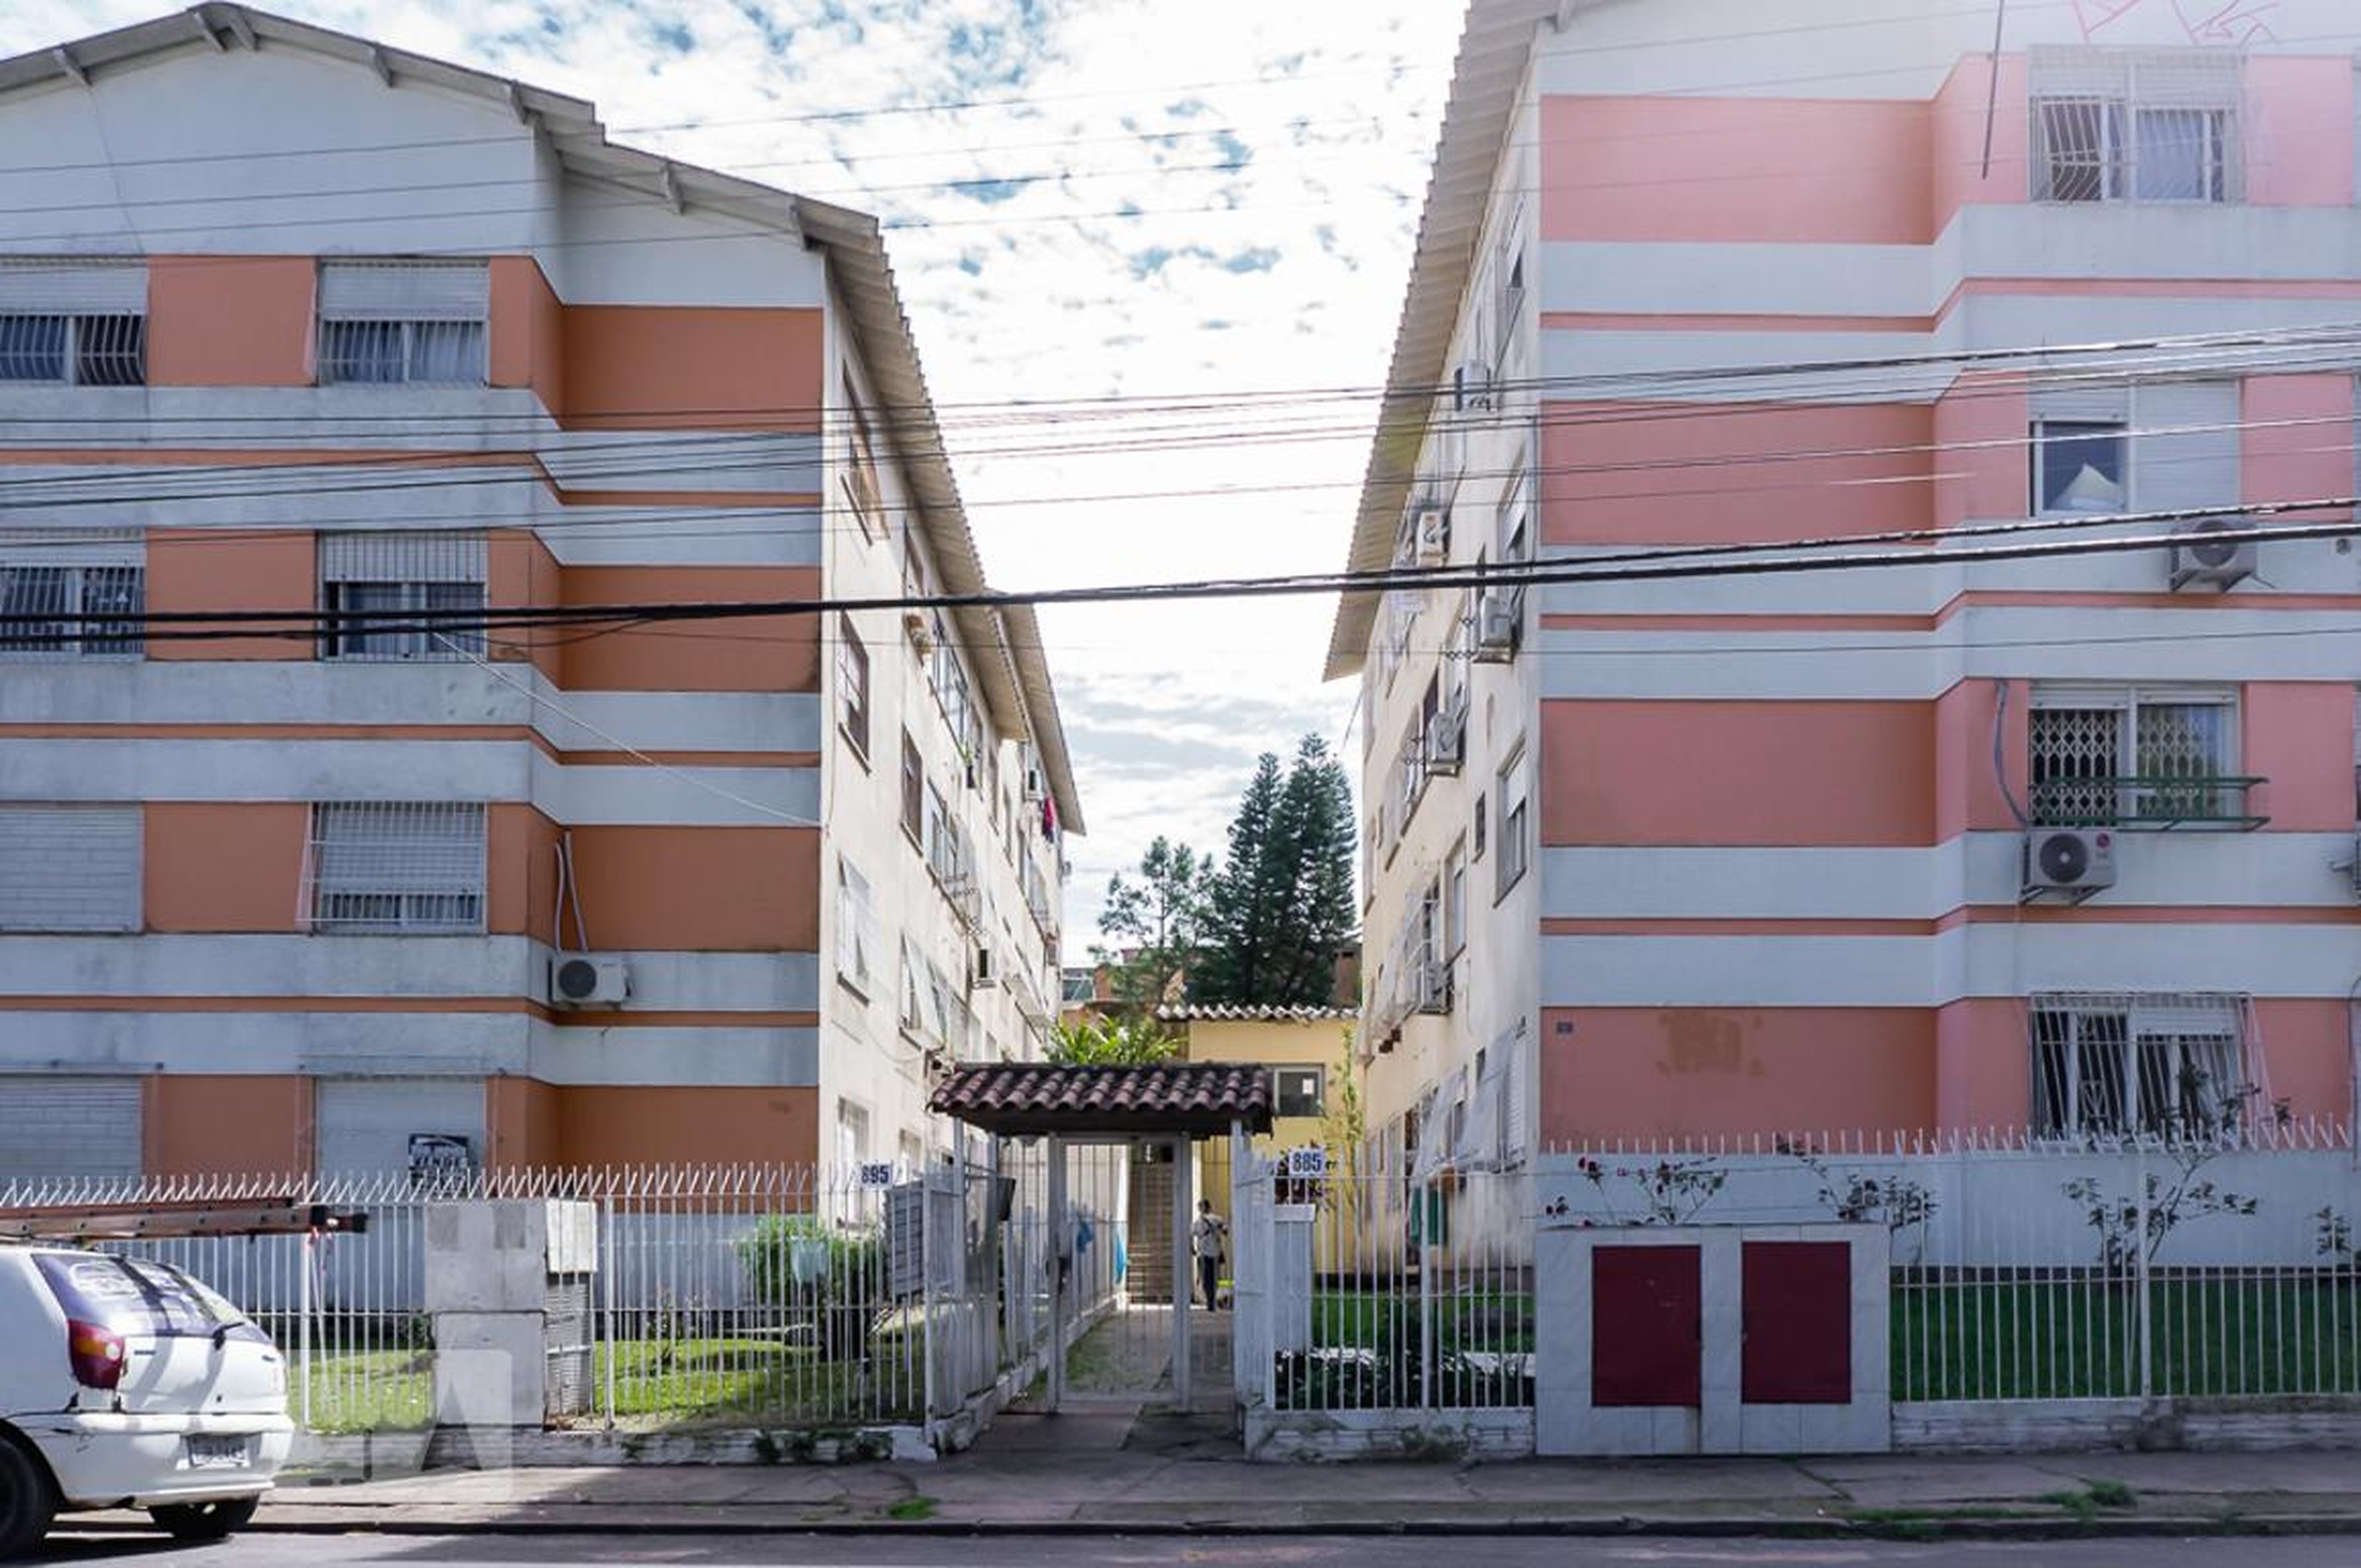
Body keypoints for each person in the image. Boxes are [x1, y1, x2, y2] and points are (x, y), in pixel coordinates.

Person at [1190, 1197, 1228, 1310]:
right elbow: (1225, 1231)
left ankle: (1210, 1300)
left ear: (1201, 1209)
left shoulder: (1197, 1222)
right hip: (1215, 1253)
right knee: (1215, 1277)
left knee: (1206, 1278)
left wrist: (1192, 1249)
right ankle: (1213, 1298)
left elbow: (1191, 1236)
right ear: (1209, 1207)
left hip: (1203, 1254)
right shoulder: (1217, 1219)